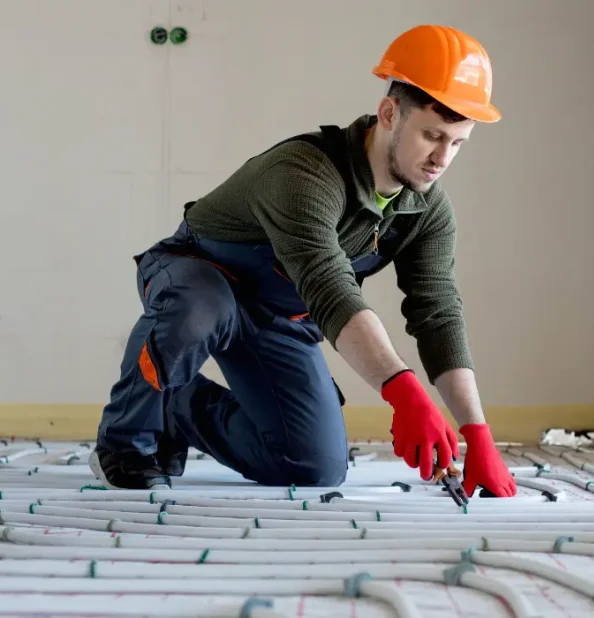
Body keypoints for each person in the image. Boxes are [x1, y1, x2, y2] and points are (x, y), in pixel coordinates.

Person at [89, 24, 517, 499]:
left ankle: (176, 407)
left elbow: (437, 314)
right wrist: (404, 392)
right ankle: (123, 442)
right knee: (196, 312)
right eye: (432, 136)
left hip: (277, 317)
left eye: (457, 143)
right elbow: (330, 286)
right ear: (390, 113)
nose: (442, 158)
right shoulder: (304, 173)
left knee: (313, 465)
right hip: (199, 275)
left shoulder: (427, 210)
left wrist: (477, 432)